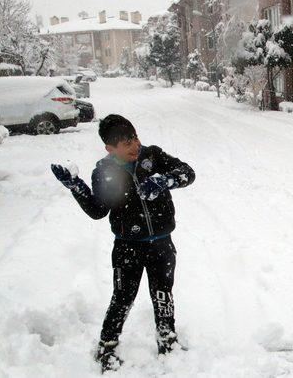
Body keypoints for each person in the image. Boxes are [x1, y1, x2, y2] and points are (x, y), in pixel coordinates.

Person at [51, 114, 195, 373]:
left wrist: (164, 181)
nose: (135, 145)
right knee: (123, 297)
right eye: (127, 142)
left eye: (135, 137)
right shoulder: (104, 172)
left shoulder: (152, 156)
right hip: (128, 247)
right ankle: (107, 346)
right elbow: (98, 210)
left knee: (163, 293)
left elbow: (188, 173)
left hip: (162, 244)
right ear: (110, 148)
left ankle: (167, 339)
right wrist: (76, 187)